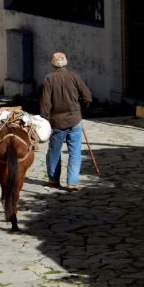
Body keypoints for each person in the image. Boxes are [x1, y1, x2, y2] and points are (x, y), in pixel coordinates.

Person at [40, 52, 92, 192]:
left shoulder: (49, 79)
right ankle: (72, 183)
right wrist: (80, 109)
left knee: (54, 152)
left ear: (52, 64)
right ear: (66, 63)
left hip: (57, 122)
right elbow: (88, 97)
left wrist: (45, 119)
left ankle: (53, 179)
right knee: (75, 152)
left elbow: (45, 103)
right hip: (75, 120)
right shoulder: (74, 76)